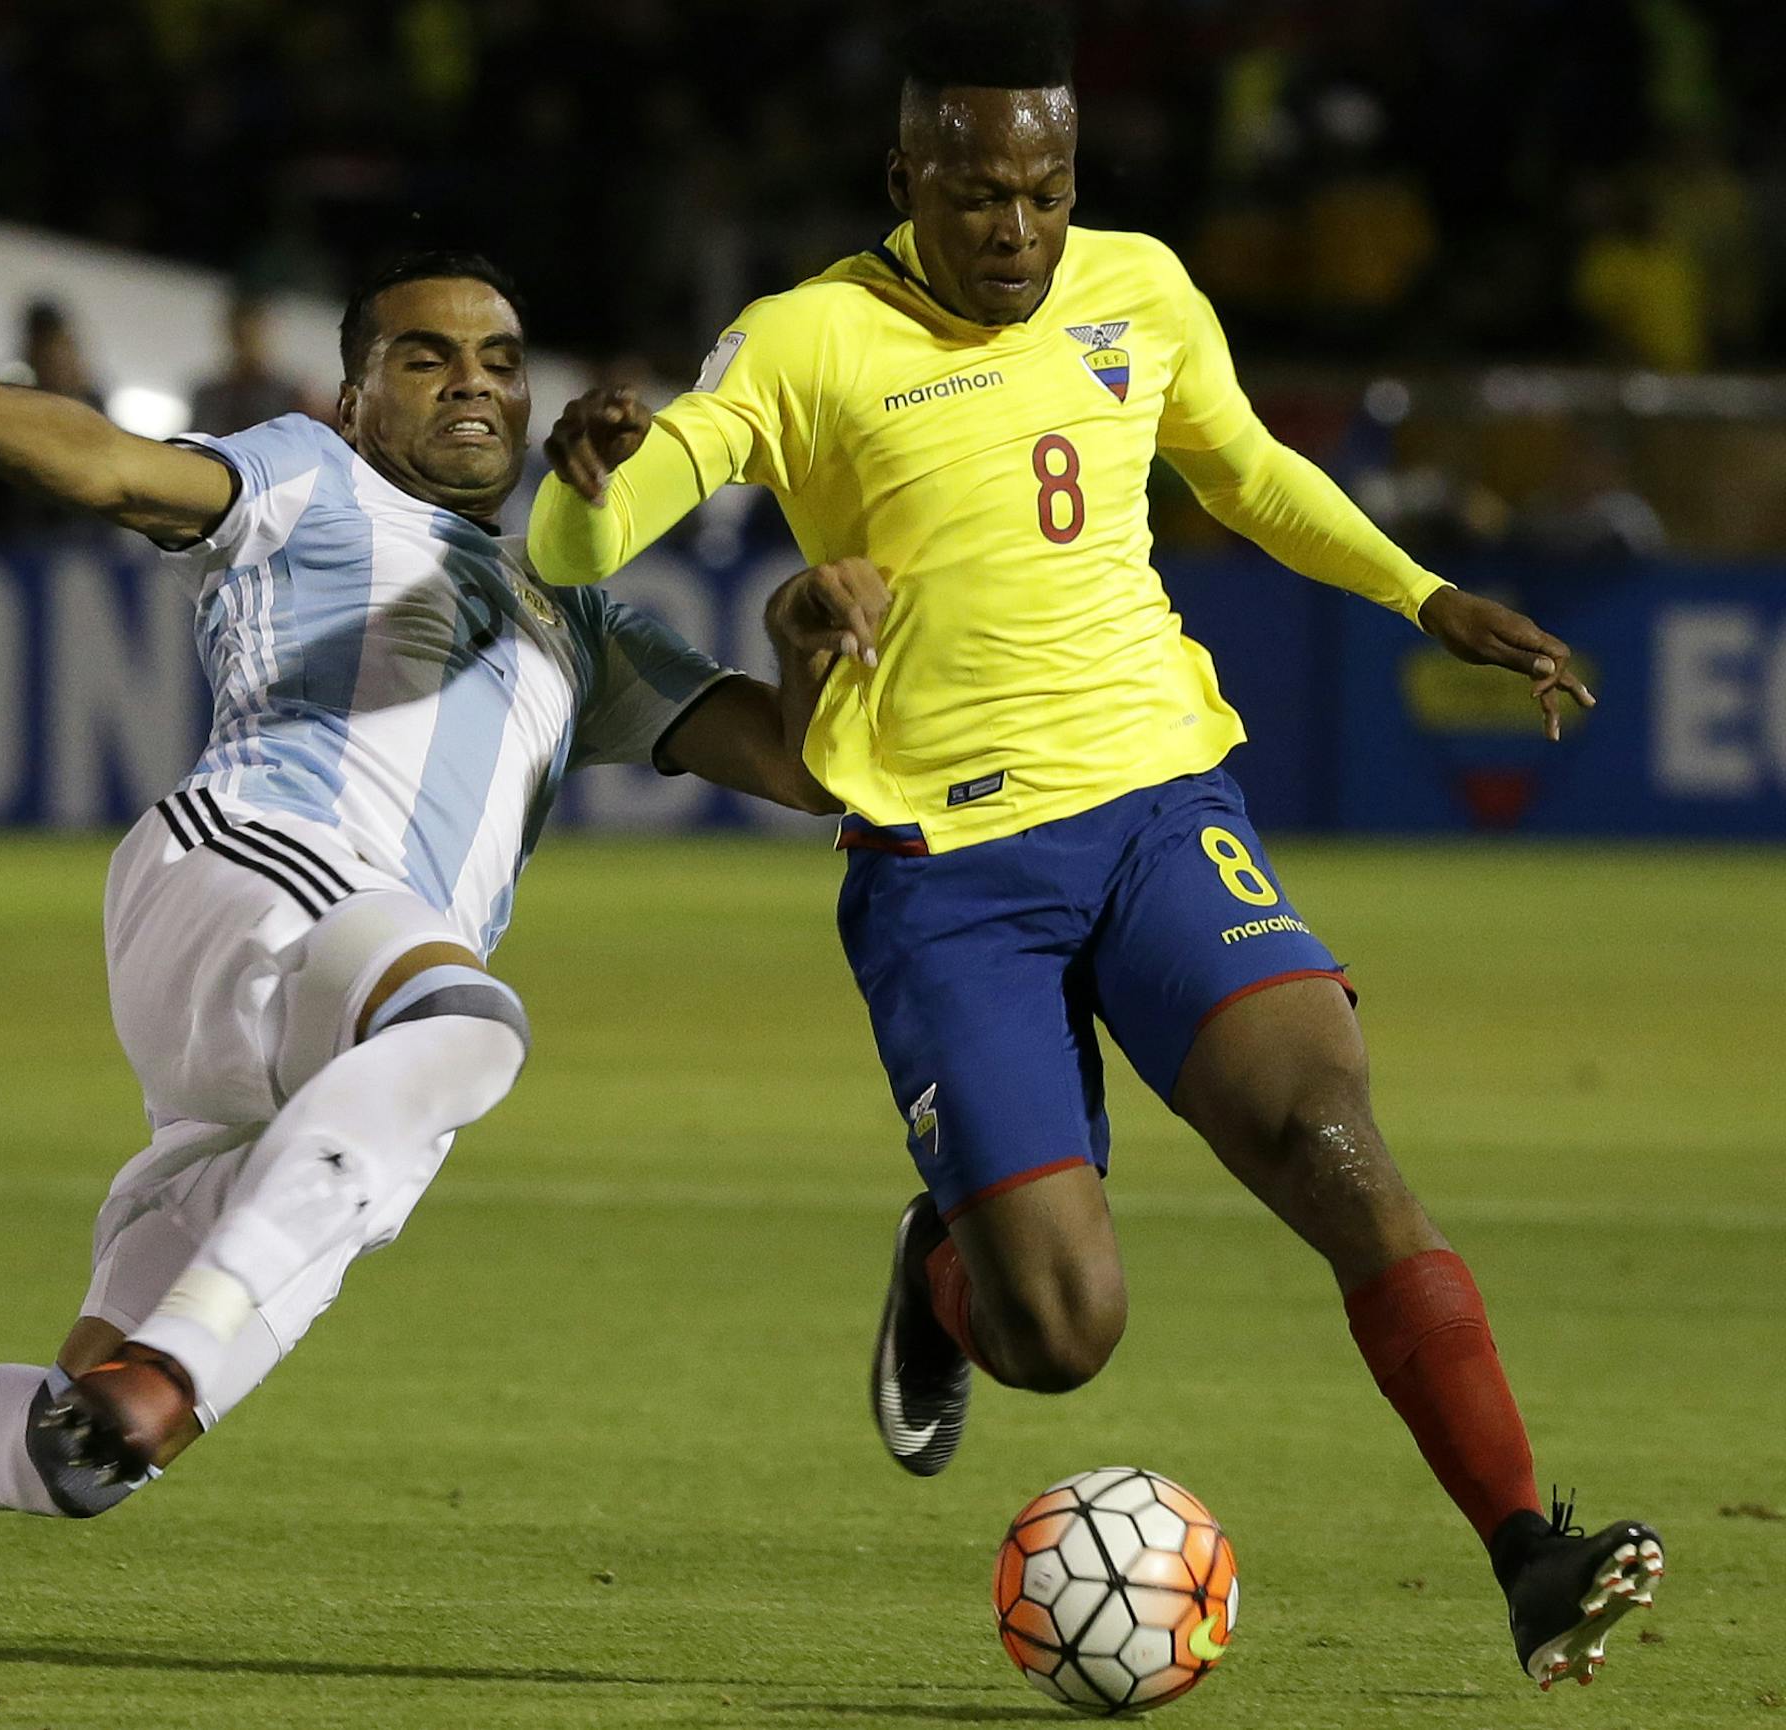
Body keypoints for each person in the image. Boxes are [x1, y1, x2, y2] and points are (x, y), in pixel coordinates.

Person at [527, 2, 1660, 1694]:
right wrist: (579, 488)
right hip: (948, 874)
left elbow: (1253, 470)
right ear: (906, 172)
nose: (1017, 227)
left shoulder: (1140, 287)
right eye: (979, 191)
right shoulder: (805, 340)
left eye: (1046, 188)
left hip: (1154, 811)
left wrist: (1425, 596)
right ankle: (949, 1268)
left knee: (1331, 1134)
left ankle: (1526, 1548)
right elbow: (602, 527)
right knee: (1063, 1335)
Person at [0, 250, 867, 1526]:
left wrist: (802, 647)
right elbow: (118, 467)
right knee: (469, 1028)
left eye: (501, 361)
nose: (474, 383)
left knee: (73, 1452)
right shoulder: (311, 474)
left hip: (341, 1058)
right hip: (254, 869)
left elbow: (803, 766)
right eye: (427, 355)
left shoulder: (585, 623)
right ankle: (181, 1363)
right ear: (352, 399)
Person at [189, 293, 305, 436]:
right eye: (243, 334)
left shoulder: (292, 397)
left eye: (256, 334)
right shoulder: (209, 396)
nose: (250, 343)